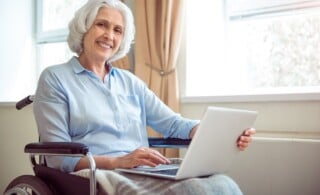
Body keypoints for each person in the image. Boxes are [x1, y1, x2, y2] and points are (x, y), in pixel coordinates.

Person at [33, 0, 255, 193]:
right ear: (84, 28)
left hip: (140, 169)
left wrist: (214, 132)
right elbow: (59, 158)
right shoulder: (55, 78)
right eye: (101, 24)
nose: (109, 35)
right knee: (192, 190)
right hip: (95, 173)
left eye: (118, 30)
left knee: (221, 183)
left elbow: (172, 123)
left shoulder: (130, 82)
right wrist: (119, 161)